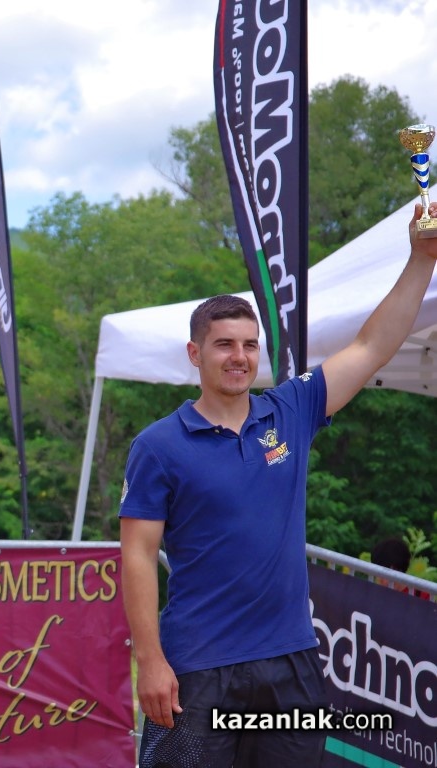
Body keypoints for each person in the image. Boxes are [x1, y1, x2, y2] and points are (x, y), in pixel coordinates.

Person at [119, 203, 437, 767]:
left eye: (249, 345)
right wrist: (151, 660)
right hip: (198, 666)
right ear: (195, 354)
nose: (239, 357)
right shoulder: (158, 445)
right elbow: (138, 556)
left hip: (291, 662)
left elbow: (371, 347)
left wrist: (421, 260)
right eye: (224, 344)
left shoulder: (289, 410)